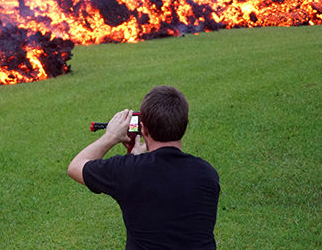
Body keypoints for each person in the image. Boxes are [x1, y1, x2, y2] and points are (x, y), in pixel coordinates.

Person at [67, 85, 220, 250]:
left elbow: (75, 166)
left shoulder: (128, 172)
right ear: (184, 126)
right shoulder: (207, 173)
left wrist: (111, 136)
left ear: (143, 129)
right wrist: (136, 162)